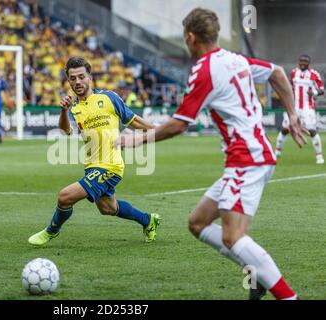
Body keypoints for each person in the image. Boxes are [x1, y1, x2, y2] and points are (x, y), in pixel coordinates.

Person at [117, 8, 307, 300]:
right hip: (252, 156)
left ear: (191, 38)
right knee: (197, 222)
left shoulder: (204, 70)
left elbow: (179, 124)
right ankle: (254, 272)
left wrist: (138, 140)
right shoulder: (235, 59)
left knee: (233, 237)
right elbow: (278, 73)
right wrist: (292, 114)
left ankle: (288, 296)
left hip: (247, 159)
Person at [28, 57, 160, 246]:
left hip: (110, 166)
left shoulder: (108, 98)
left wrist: (160, 130)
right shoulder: (74, 108)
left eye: (81, 77)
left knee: (65, 197)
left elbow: (135, 120)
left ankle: (50, 232)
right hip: (92, 166)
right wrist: (64, 111)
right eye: (73, 78)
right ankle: (148, 220)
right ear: (68, 80)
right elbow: (66, 131)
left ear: (90, 77)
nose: (77, 82)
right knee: (109, 208)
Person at [275, 54, 324, 164]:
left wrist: (314, 93)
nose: (303, 63)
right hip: (293, 107)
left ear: (308, 63)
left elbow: (321, 90)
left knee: (312, 131)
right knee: (285, 129)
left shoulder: (314, 74)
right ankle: (277, 152)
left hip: (308, 107)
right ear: (298, 61)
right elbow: (289, 87)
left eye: (305, 61)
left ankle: (319, 156)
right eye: (301, 61)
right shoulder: (293, 72)